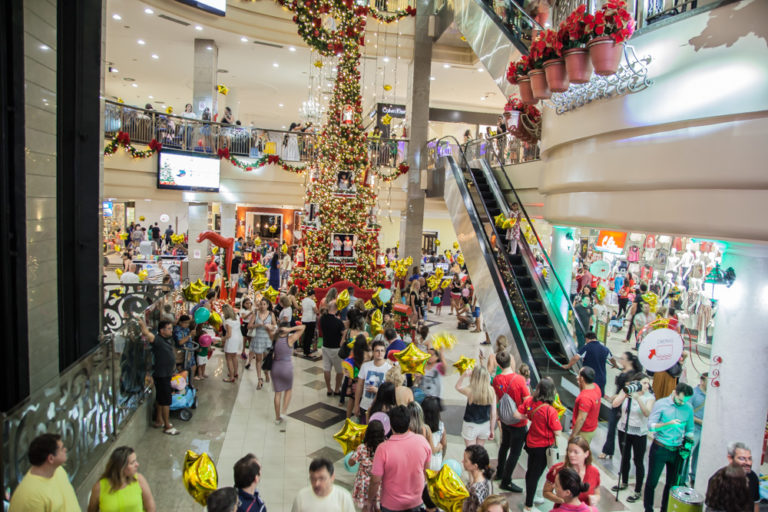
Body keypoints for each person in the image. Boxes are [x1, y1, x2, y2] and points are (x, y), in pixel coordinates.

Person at [508, 377, 563, 511]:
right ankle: (529, 505)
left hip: (531, 444)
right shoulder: (550, 410)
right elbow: (558, 432)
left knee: (531, 471)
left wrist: (529, 417)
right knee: (535, 474)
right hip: (543, 447)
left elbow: (516, 414)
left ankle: (531, 495)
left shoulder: (530, 402)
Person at [366, 405, 432, 512]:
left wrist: (370, 501)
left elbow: (375, 481)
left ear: (390, 424)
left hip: (391, 504)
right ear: (409, 422)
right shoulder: (422, 441)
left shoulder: (383, 449)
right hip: (416, 501)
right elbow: (427, 473)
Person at [643, 382, 695, 512]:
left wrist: (688, 445)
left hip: (676, 450)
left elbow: (690, 429)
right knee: (652, 482)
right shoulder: (661, 404)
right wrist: (668, 424)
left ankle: (665, 509)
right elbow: (651, 426)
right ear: (675, 393)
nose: (682, 403)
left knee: (672, 484)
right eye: (680, 399)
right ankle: (648, 509)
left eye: (685, 401)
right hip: (660, 447)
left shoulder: (688, 408)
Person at [611, 373, 654, 503]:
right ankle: (623, 482)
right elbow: (614, 404)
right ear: (637, 383)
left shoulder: (650, 397)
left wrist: (638, 398)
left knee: (638, 461)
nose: (647, 385)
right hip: (624, 429)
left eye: (648, 383)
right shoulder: (627, 392)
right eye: (644, 382)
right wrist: (624, 394)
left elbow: (647, 413)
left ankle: (637, 490)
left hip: (639, 433)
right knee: (625, 457)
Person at [8, 433, 79, 512]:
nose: (65, 449)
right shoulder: (31, 497)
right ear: (51, 459)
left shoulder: (58, 470)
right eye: (62, 449)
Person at [492, 351, 530, 493]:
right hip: (518, 422)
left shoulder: (496, 380)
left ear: (498, 364)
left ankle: (500, 472)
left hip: (504, 419)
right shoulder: (519, 379)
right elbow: (527, 400)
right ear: (510, 361)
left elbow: (497, 398)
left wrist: (498, 416)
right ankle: (506, 481)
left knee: (504, 446)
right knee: (515, 452)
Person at [598, 352, 642, 460]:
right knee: (611, 427)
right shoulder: (624, 371)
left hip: (622, 404)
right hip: (617, 402)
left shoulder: (632, 374)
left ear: (629, 361)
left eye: (623, 358)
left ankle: (611, 451)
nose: (620, 360)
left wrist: (617, 396)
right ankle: (609, 450)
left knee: (614, 428)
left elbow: (627, 391)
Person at [138, 319, 179, 435]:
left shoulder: (166, 340)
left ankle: (159, 420)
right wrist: (142, 324)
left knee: (161, 398)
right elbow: (146, 333)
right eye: (169, 329)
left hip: (165, 374)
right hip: (162, 375)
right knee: (166, 400)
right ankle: (167, 426)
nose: (171, 331)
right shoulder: (158, 340)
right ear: (162, 330)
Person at [87, 446, 156, 512]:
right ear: (121, 467)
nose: (137, 464)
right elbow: (92, 510)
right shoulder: (99, 487)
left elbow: (151, 507)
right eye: (132, 463)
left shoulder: (139, 479)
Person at [543, 437, 600, 508]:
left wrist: (596, 498)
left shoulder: (594, 472)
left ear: (586, 453)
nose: (571, 455)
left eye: (576, 452)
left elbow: (597, 493)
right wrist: (563, 501)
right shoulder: (557, 469)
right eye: (569, 451)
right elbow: (546, 492)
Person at [271, 321, 305, 424]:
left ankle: (277, 418)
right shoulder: (290, 339)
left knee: (277, 393)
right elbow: (303, 327)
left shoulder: (274, 338)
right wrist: (290, 330)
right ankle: (283, 411)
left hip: (275, 366)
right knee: (288, 390)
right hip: (286, 367)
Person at [456, 365, 497, 446]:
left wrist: (464, 375)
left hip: (470, 426)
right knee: (479, 452)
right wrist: (492, 429)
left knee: (471, 453)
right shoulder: (491, 391)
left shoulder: (470, 391)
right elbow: (493, 414)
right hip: (485, 425)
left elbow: (458, 387)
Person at [350, 420, 386, 509]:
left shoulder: (362, 448)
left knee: (366, 507)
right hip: (379, 482)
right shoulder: (385, 447)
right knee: (378, 507)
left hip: (364, 484)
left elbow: (350, 463)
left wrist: (353, 452)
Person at [355, 340, 392, 422]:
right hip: (365, 406)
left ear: (385, 352)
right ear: (373, 352)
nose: (380, 353)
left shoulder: (389, 369)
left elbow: (391, 392)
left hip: (381, 408)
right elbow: (359, 386)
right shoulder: (365, 366)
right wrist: (356, 404)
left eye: (382, 351)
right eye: (377, 351)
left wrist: (378, 391)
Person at [247, 298, 276, 389]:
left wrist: (271, 327)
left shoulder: (271, 314)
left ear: (267, 305)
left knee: (267, 359)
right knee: (258, 360)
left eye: (264, 304)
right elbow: (249, 326)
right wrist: (257, 325)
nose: (262, 306)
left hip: (267, 339)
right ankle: (259, 379)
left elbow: (275, 326)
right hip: (258, 339)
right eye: (261, 304)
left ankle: (266, 373)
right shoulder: (255, 314)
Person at [725, 442, 761, 512]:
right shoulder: (721, 479)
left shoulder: (752, 477)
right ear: (730, 459)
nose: (748, 463)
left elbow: (755, 504)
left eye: (749, 459)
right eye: (742, 458)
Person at [570, 367, 602, 444]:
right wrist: (581, 384)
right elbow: (583, 392)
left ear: (582, 378)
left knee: (578, 453)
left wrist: (573, 435)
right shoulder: (596, 387)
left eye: (579, 375)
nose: (577, 376)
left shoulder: (585, 398)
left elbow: (581, 419)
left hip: (583, 432)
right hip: (591, 428)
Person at [320, 302, 345, 396]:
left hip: (325, 346)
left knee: (326, 369)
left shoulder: (323, 318)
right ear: (336, 308)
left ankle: (329, 389)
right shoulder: (338, 322)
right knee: (339, 371)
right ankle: (337, 389)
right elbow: (343, 333)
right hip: (336, 349)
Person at [688, 372, 708, 486]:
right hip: (694, 429)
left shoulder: (711, 396)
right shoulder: (693, 394)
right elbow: (688, 413)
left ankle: (695, 477)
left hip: (705, 431)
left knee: (699, 456)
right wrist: (702, 422)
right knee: (688, 454)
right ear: (702, 381)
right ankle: (684, 478)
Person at [463, 445, 494, 512]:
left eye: (465, 461)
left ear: (475, 466)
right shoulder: (487, 479)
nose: (462, 461)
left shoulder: (475, 492)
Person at [423, 396, 447, 471]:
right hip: (437, 461)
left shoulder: (422, 427)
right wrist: (439, 447)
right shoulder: (441, 426)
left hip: (424, 461)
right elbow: (444, 443)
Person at [222, 304, 244, 383]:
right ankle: (235, 373)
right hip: (238, 338)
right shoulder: (236, 317)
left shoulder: (228, 321)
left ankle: (231, 377)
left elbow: (229, 334)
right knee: (234, 357)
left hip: (231, 340)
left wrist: (222, 339)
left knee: (228, 359)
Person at [300, 288, 318, 357]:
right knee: (309, 336)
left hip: (304, 319)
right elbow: (315, 310)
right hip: (311, 320)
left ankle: (305, 350)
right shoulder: (312, 301)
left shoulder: (303, 300)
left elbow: (302, 309)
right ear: (313, 295)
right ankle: (307, 352)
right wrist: (318, 311)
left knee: (305, 335)